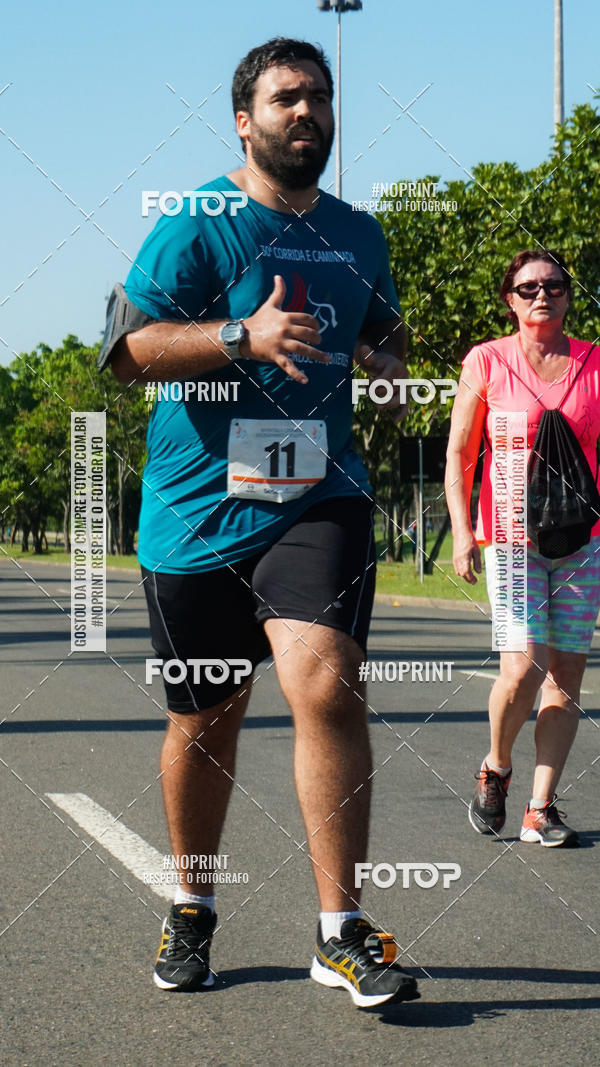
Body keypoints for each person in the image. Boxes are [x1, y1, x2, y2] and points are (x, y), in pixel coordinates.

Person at [99, 38, 419, 1007]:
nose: (306, 112)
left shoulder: (360, 234)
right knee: (206, 717)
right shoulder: (198, 223)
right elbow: (125, 351)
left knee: (326, 685)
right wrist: (243, 333)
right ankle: (193, 905)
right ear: (246, 120)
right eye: (286, 98)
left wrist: (389, 361)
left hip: (317, 498)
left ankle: (341, 929)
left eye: (319, 97)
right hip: (196, 512)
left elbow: (379, 320)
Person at [445, 249, 600, 848]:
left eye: (555, 286)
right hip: (510, 536)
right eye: (529, 287)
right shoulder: (486, 361)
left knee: (565, 674)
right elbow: (460, 455)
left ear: (568, 295)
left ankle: (541, 806)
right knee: (525, 665)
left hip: (584, 541)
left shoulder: (594, 363)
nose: (543, 295)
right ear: (510, 298)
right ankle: (496, 766)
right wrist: (462, 532)